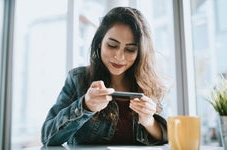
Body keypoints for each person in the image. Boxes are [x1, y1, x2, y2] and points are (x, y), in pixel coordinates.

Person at [41, 6, 168, 146]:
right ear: (100, 43)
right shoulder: (78, 79)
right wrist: (85, 106)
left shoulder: (150, 84)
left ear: (141, 52)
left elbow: (168, 136)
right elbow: (48, 137)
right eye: (112, 45)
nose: (119, 56)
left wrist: (149, 121)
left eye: (130, 49)